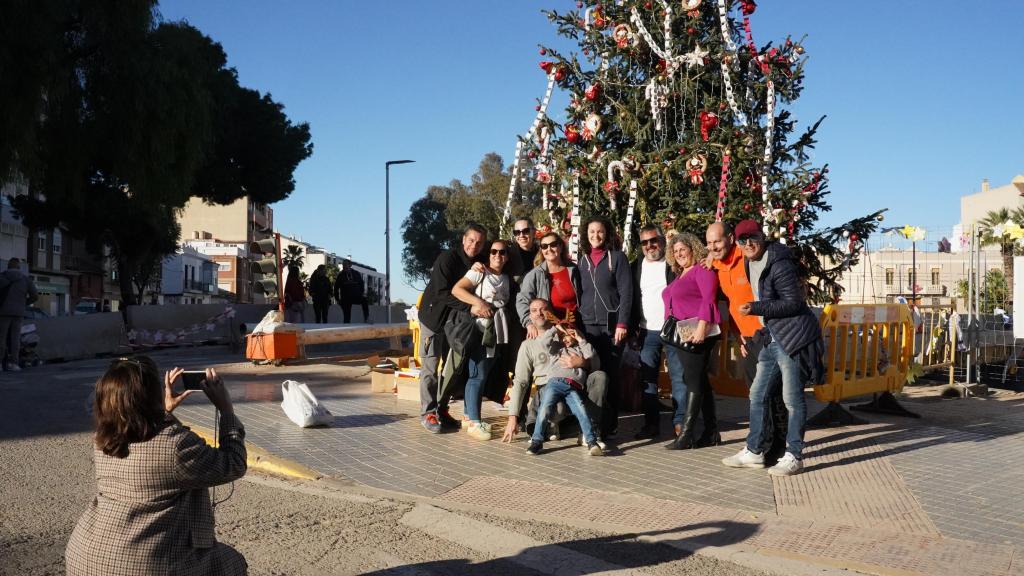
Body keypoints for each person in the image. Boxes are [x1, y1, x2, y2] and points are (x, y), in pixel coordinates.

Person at [65, 357, 247, 575]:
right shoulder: (176, 446)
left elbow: (146, 436)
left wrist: (165, 411)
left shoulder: (104, 440)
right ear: (152, 396)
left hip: (87, 555)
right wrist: (226, 410)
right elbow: (234, 462)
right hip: (143, 564)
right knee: (231, 562)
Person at [722, 220, 824, 476]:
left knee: (792, 399)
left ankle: (794, 456)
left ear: (762, 236)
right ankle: (754, 451)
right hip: (772, 336)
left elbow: (792, 302)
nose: (748, 244)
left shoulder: (778, 262)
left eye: (752, 237)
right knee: (757, 394)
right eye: (742, 240)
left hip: (793, 338)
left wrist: (756, 308)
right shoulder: (749, 261)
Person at [706, 221, 787, 462]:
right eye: (709, 243)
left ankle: (776, 447)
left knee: (772, 394)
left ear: (731, 238)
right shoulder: (718, 265)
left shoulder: (747, 256)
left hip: (769, 335)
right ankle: (763, 445)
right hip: (748, 338)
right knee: (758, 394)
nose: (713, 247)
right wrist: (738, 335)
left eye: (717, 241)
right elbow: (732, 302)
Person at [502, 298, 608, 448]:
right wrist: (512, 417)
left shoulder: (571, 334)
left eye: (543, 309)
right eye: (534, 310)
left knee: (600, 376)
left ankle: (589, 431)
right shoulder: (528, 345)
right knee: (556, 404)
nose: (539, 313)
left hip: (576, 385)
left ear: (551, 313)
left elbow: (596, 364)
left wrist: (583, 363)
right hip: (550, 392)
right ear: (530, 316)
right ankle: (552, 423)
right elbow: (521, 381)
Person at [417, 223, 487, 433]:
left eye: (479, 242)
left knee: (451, 369)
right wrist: (471, 305)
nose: (474, 245)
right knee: (430, 367)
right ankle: (427, 413)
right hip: (433, 320)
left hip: (455, 324)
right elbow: (442, 293)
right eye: (471, 240)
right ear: (463, 239)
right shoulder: (447, 259)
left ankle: (441, 409)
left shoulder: (477, 263)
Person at [663, 233, 721, 450]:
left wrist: (702, 327)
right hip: (683, 333)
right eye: (675, 251)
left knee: (693, 381)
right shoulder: (680, 274)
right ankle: (712, 431)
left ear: (693, 249)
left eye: (682, 250)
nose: (679, 254)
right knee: (699, 380)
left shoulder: (702, 270)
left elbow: (709, 298)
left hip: (698, 332)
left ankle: (687, 434)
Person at [451, 239, 513, 441]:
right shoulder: (479, 272)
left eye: (502, 252)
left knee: (483, 372)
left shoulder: (506, 277)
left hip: (498, 331)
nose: (497, 255)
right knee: (477, 373)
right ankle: (475, 422)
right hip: (480, 330)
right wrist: (478, 302)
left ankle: (469, 416)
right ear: (488, 254)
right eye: (493, 251)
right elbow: (457, 290)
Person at [578, 217, 633, 437]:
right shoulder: (582, 261)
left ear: (607, 234)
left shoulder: (617, 258)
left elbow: (626, 292)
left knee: (610, 374)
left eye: (600, 232)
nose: (595, 236)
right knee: (592, 372)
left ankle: (608, 424)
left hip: (611, 327)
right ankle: (591, 421)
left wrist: (622, 322)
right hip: (588, 326)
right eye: (591, 232)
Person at [628, 225, 683, 440]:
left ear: (662, 240)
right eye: (645, 242)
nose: (650, 246)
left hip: (673, 329)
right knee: (648, 380)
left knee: (678, 378)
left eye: (654, 240)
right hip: (646, 331)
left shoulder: (674, 263)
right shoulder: (636, 267)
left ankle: (680, 424)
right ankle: (651, 424)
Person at [521, 316, 603, 456]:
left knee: (581, 411)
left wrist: (580, 338)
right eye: (563, 335)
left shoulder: (580, 349)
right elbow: (542, 342)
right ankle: (536, 441)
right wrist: (555, 329)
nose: (566, 338)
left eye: (569, 334)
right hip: (554, 383)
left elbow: (592, 355)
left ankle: (591, 441)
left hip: (572, 386)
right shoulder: (556, 349)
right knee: (545, 408)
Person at [516, 232, 580, 332]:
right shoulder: (535, 275)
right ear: (541, 250)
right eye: (545, 246)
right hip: (549, 330)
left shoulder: (574, 270)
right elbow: (522, 301)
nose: (549, 249)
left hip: (575, 327)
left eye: (553, 245)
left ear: (561, 246)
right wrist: (529, 324)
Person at [0, 258, 37, 371]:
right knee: (15, 338)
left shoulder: (2, 277)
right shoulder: (25, 280)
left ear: (8, 267)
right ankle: (14, 364)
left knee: (1, 337)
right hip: (19, 313)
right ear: (18, 267)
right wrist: (24, 303)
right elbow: (35, 296)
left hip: (3, 312)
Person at [334, 258, 371, 324]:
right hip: (345, 298)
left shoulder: (356, 273)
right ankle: (346, 328)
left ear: (350, 265)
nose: (344, 266)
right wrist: (337, 299)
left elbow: (361, 284)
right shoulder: (340, 275)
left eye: (345, 264)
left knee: (364, 300)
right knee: (347, 316)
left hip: (355, 296)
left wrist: (360, 293)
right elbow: (336, 288)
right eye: (343, 264)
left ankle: (366, 318)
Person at [507, 217, 538, 284]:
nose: (521, 235)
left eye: (526, 231)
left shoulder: (543, 252)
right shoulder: (507, 254)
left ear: (534, 232)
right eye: (517, 232)